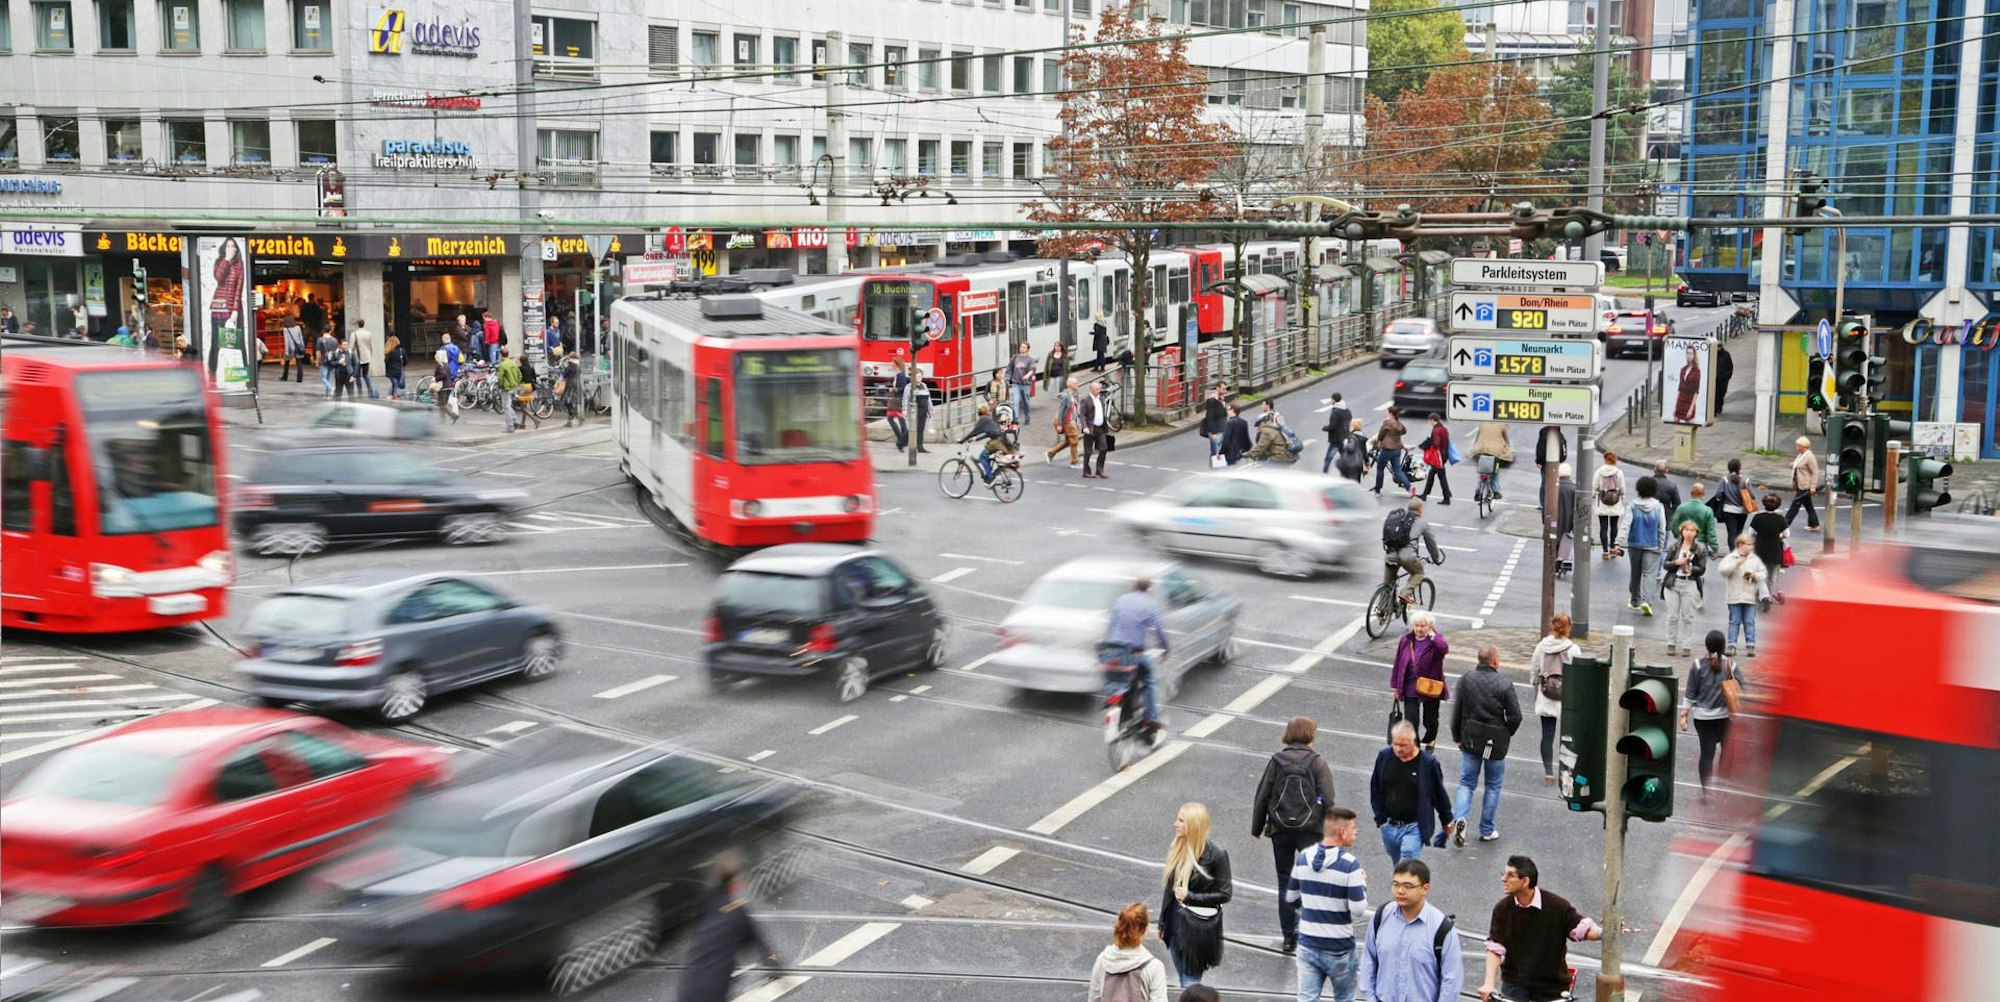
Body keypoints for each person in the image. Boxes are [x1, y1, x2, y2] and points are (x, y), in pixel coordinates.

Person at [1251, 716, 1338, 954]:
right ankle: (1311, 932)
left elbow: (1263, 796)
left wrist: (1257, 828)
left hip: (1280, 829)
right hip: (1310, 829)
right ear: (1310, 735)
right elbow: (1328, 799)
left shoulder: (1276, 761)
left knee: (1284, 881)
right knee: (1311, 880)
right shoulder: (1317, 762)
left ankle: (1288, 937)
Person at [1478, 856, 1603, 1002]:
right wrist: (1489, 983)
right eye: (1503, 874)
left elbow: (1582, 929)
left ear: (1525, 881)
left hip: (1551, 986)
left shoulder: (1557, 906)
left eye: (1510, 875)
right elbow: (1495, 946)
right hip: (1515, 984)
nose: (1503, 879)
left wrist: (1605, 932)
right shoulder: (1502, 908)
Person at [1285, 807, 1365, 1001]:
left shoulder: (1303, 857)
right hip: (1339, 947)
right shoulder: (1350, 865)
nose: (1357, 831)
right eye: (1353, 827)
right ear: (1341, 832)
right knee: (1344, 998)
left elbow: (1291, 898)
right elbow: (1359, 909)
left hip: (1308, 944)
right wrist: (1362, 883)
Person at [1360, 859, 1462, 1002]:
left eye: (1408, 886)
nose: (1400, 891)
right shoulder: (1381, 917)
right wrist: (1371, 998)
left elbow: (1451, 980)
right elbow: (1368, 961)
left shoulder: (1442, 928)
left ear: (1425, 888)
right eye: (1396, 884)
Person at [1449, 644, 1522, 846]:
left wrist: (1457, 736)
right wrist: (1506, 732)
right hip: (1496, 741)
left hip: (1470, 738)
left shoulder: (1466, 680)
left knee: (1466, 783)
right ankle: (1487, 830)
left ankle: (1461, 818)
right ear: (1495, 661)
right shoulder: (1505, 684)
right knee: (1493, 786)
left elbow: (1457, 711)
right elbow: (1516, 716)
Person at [674, 864, 778, 1002]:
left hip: (689, 987)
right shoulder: (738, 913)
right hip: (714, 990)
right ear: (736, 884)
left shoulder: (707, 902)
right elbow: (763, 947)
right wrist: (775, 964)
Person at [1159, 802, 1232, 988]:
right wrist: (1162, 922)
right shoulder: (1178, 847)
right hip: (1175, 923)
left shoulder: (1216, 854)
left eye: (1181, 821)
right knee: (1183, 975)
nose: (1175, 824)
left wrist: (1190, 896)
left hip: (1198, 927)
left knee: (1190, 979)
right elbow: (1169, 889)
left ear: (1193, 825)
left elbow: (1225, 893)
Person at [1681, 630, 1747, 796]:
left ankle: (1707, 793)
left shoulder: (1697, 665)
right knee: (1727, 752)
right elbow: (1743, 688)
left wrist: (1684, 716)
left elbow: (1690, 694)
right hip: (1725, 719)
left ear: (1707, 646)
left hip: (1703, 719)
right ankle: (1722, 786)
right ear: (1724, 646)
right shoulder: (1731, 666)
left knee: (1706, 755)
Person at [1103, 576, 1169, 731]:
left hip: (1113, 651)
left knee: (1116, 679)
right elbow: (1160, 630)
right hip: (1134, 653)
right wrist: (1165, 648)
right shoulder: (1150, 603)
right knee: (1149, 681)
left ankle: (1116, 700)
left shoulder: (1120, 600)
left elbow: (1111, 625)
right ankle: (1150, 720)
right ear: (1149, 589)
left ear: (1133, 587)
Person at [1389, 612, 1449, 750]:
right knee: (1411, 721)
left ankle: (1430, 739)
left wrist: (1433, 636)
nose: (1419, 629)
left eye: (1423, 626)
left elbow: (1443, 649)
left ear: (1430, 626)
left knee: (1430, 720)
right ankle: (1414, 748)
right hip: (1410, 686)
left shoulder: (1435, 640)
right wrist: (1395, 687)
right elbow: (1398, 663)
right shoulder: (1406, 640)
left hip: (1430, 686)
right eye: (1417, 625)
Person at [1088, 903, 1169, 1002]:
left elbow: (1094, 999)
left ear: (1119, 927)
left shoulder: (1103, 960)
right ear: (1145, 929)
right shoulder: (1154, 966)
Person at [1531, 615, 1576, 786]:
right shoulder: (1573, 649)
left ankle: (1548, 772)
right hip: (1567, 698)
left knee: (1547, 735)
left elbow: (1534, 669)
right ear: (1568, 627)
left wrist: (1535, 686)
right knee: (1568, 738)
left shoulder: (1542, 646)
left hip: (1547, 695)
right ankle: (1566, 772)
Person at [1613, 475, 1666, 616]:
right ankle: (1647, 601)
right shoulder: (1658, 507)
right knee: (1649, 574)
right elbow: (1662, 528)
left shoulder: (1633, 505)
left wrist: (1618, 542)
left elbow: (1625, 525)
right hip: (1652, 545)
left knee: (1635, 573)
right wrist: (1661, 546)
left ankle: (1635, 600)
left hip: (1634, 544)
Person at [1383, 499, 1443, 617]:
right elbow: (1431, 542)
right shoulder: (1422, 523)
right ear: (1420, 509)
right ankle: (1405, 594)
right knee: (1419, 572)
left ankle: (1382, 611)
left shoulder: (1396, 518)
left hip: (1390, 555)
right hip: (1408, 558)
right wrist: (1436, 559)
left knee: (1386, 584)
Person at [1662, 519, 1710, 656]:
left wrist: (1690, 568)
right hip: (1673, 582)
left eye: (1692, 530)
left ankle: (1686, 645)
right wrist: (1676, 562)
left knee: (1688, 616)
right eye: (1686, 530)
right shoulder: (1675, 546)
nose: (1689, 533)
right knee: (1672, 615)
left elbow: (1702, 569)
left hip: (1690, 583)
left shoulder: (1700, 549)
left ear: (1696, 533)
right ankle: (1671, 643)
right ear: (1681, 531)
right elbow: (1665, 564)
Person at [1718, 533, 1765, 656]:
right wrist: (1736, 564)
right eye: (1749, 544)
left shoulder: (1754, 559)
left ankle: (1750, 645)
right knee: (1734, 621)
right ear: (1740, 545)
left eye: (1752, 544)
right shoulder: (1731, 557)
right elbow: (1723, 571)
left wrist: (1755, 575)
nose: (1751, 546)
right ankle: (1732, 644)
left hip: (1750, 596)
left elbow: (1763, 573)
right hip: (1735, 596)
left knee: (1749, 621)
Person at [1749, 493, 1789, 608]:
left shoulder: (1758, 517)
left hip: (1760, 550)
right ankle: (1769, 596)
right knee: (1772, 577)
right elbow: (1787, 534)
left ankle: (1763, 596)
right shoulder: (1780, 519)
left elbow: (1751, 533)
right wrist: (1779, 536)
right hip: (1775, 551)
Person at [958, 401, 1009, 482]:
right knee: (986, 455)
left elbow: (973, 432)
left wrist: (962, 440)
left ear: (979, 412)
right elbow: (988, 432)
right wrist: (976, 439)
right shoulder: (988, 419)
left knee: (982, 458)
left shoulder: (983, 419)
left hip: (996, 442)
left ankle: (990, 477)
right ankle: (989, 474)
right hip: (1001, 440)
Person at [206, 239, 244, 345]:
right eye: (228, 246)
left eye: (233, 246)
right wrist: (226, 259)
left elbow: (239, 288)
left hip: (233, 308)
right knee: (216, 342)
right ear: (224, 248)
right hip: (218, 306)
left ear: (236, 249)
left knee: (233, 343)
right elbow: (218, 277)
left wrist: (235, 310)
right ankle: (213, 361)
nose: (230, 249)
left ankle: (241, 361)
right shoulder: (219, 262)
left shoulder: (239, 264)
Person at [1592, 450, 1627, 559]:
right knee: (1614, 526)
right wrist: (1622, 496)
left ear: (1605, 459)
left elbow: (1594, 487)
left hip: (1602, 501)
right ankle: (1613, 548)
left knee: (1603, 527)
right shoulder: (1619, 473)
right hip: (1615, 502)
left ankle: (1605, 551)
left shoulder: (1599, 472)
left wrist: (1595, 495)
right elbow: (1622, 489)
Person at [1467, 422, 1512, 498]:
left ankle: (1478, 492)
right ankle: (1496, 491)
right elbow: (1506, 440)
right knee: (1495, 471)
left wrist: (1474, 448)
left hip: (1481, 450)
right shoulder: (1502, 425)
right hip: (1495, 452)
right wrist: (1508, 448)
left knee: (1482, 471)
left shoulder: (1482, 424)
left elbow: (1477, 438)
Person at [1713, 457, 1752, 546]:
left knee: (1731, 533)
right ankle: (1739, 549)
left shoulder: (1725, 480)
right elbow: (1752, 495)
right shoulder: (1746, 480)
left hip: (1728, 510)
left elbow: (1718, 494)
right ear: (1740, 467)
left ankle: (1733, 552)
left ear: (1728, 468)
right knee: (1739, 532)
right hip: (1743, 510)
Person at [1372, 408, 1412, 494]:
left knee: (1380, 468)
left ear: (1390, 413)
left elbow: (1380, 435)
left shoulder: (1387, 422)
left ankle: (1377, 490)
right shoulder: (1398, 423)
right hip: (1397, 449)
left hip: (1387, 449)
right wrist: (1395, 435)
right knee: (1397, 470)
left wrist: (1380, 440)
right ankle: (1409, 487)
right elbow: (1404, 431)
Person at [1786, 436, 1822, 531]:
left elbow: (1815, 471)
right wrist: (1793, 465)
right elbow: (1798, 464)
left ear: (1803, 446)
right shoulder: (1801, 455)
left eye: (1798, 446)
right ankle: (1814, 524)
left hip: (1805, 486)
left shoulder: (1809, 456)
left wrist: (1813, 486)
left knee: (1794, 506)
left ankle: (1784, 525)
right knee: (1809, 506)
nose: (1797, 448)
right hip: (1799, 484)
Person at [1416, 414, 1453, 504]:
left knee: (1437, 476)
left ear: (1432, 420)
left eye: (1430, 421)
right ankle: (1428, 494)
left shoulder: (1436, 430)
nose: (1429, 423)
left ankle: (1446, 497)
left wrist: (1428, 443)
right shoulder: (1443, 429)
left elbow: (1436, 443)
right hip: (1444, 454)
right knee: (1436, 475)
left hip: (1439, 456)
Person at [1047, 376, 1082, 467]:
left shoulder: (1072, 395)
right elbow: (1062, 410)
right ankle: (1074, 462)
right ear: (1070, 385)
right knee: (1074, 441)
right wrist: (1059, 424)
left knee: (1068, 442)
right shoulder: (1066, 396)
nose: (1077, 385)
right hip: (1068, 422)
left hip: (1071, 421)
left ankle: (1050, 453)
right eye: (1075, 383)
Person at [1081, 379, 1112, 478]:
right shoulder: (1085, 400)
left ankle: (1099, 469)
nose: (1100, 390)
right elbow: (1082, 415)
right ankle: (1086, 471)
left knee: (1104, 448)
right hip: (1090, 429)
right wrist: (1085, 427)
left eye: (1099, 388)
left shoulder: (1100, 399)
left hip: (1100, 428)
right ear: (1092, 390)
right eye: (1097, 389)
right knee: (1088, 451)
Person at [1320, 393, 1353, 475]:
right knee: (1344, 457)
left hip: (1336, 439)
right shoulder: (1347, 410)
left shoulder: (1335, 412)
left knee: (1328, 458)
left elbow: (1332, 426)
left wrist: (1325, 428)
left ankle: (1324, 474)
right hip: (1344, 437)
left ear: (1334, 400)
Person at [1672, 343, 1704, 423]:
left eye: (1691, 353)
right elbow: (1679, 388)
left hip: (1689, 400)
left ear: (1694, 356)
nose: (1689, 355)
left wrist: (1691, 409)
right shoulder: (1683, 370)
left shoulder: (1697, 371)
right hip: (1681, 400)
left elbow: (1696, 391)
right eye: (1687, 353)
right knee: (1676, 421)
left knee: (1690, 424)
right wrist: (1675, 406)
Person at [1007, 341, 1037, 424]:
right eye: (1021, 347)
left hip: (1026, 385)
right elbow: (1009, 368)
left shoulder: (1030, 360)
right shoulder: (1015, 357)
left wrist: (1027, 375)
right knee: (1015, 401)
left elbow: (1032, 369)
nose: (1021, 348)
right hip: (1016, 383)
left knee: (1026, 402)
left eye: (1024, 347)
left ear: (1027, 349)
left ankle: (1027, 417)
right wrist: (1007, 378)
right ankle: (1015, 419)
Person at [496, 348, 524, 433]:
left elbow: (500, 378)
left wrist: (501, 386)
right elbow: (520, 375)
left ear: (501, 355)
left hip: (507, 388)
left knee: (506, 407)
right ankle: (515, 421)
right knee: (508, 405)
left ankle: (510, 426)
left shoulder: (503, 365)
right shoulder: (513, 363)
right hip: (513, 387)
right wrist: (516, 383)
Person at [886, 359, 911, 450]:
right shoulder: (899, 374)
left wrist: (893, 390)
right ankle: (903, 440)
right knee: (900, 420)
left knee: (891, 419)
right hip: (897, 399)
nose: (891, 364)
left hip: (898, 400)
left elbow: (903, 388)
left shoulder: (901, 375)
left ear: (896, 364)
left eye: (892, 362)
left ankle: (901, 439)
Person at [351, 320, 379, 398]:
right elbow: (371, 346)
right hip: (367, 356)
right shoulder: (368, 333)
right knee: (366, 374)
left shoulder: (354, 334)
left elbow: (351, 347)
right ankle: (370, 391)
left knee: (357, 375)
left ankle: (360, 393)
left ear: (357, 324)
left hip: (358, 357)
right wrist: (370, 355)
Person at [1201, 383, 1230, 460]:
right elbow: (1210, 417)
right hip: (1216, 430)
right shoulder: (1212, 400)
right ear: (1217, 388)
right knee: (1215, 453)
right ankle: (1214, 470)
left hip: (1222, 428)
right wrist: (1213, 433)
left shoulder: (1222, 399)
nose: (1225, 391)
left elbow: (1223, 414)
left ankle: (1218, 468)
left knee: (1220, 452)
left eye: (1225, 389)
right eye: (1223, 389)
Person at [908, 370, 933, 453]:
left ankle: (920, 446)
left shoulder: (924, 385)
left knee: (921, 429)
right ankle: (908, 443)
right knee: (914, 429)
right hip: (915, 411)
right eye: (918, 377)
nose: (920, 378)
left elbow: (928, 398)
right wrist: (905, 409)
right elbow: (905, 398)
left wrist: (930, 408)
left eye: (921, 376)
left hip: (923, 410)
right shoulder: (910, 386)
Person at [558, 349, 584, 426]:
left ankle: (573, 416)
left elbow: (565, 375)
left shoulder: (570, 366)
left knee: (566, 401)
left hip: (570, 385)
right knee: (573, 402)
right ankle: (573, 417)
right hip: (577, 384)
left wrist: (564, 368)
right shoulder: (578, 366)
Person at [432, 348, 457, 423]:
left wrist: (435, 379)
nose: (435, 356)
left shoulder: (440, 365)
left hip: (443, 387)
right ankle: (442, 421)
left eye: (436, 355)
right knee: (442, 404)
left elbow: (443, 374)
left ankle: (453, 415)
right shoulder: (446, 365)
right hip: (449, 386)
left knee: (442, 404)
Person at [315, 325, 340, 399]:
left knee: (323, 378)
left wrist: (317, 361)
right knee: (328, 378)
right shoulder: (334, 340)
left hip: (324, 361)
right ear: (330, 331)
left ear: (323, 330)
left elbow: (318, 352)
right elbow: (336, 351)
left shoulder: (320, 340)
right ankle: (327, 395)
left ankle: (330, 389)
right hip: (332, 361)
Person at [328, 335, 355, 401]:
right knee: (338, 394)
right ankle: (338, 408)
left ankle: (352, 408)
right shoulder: (336, 353)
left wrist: (353, 375)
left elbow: (356, 364)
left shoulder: (351, 352)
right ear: (340, 345)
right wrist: (338, 362)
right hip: (339, 376)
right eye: (344, 345)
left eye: (347, 345)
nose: (346, 346)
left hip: (349, 375)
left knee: (351, 395)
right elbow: (331, 363)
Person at [280, 315, 306, 382]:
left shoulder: (286, 329)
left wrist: (286, 350)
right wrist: (302, 346)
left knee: (287, 362)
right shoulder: (298, 327)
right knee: (299, 363)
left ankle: (285, 377)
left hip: (290, 348)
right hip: (298, 347)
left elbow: (287, 340)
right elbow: (301, 338)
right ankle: (299, 378)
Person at [383, 332, 407, 400]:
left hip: (391, 372)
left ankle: (392, 396)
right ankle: (394, 396)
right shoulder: (402, 350)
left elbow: (386, 361)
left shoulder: (389, 352)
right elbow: (405, 361)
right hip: (399, 370)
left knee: (395, 384)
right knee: (397, 384)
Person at [1714, 345, 1735, 414]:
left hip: (1723, 380)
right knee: (1714, 394)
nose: (1718, 348)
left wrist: (1727, 376)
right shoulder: (1712, 354)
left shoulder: (1726, 355)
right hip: (1714, 379)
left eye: (1719, 347)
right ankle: (1715, 409)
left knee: (1721, 394)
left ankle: (1719, 407)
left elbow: (1730, 366)